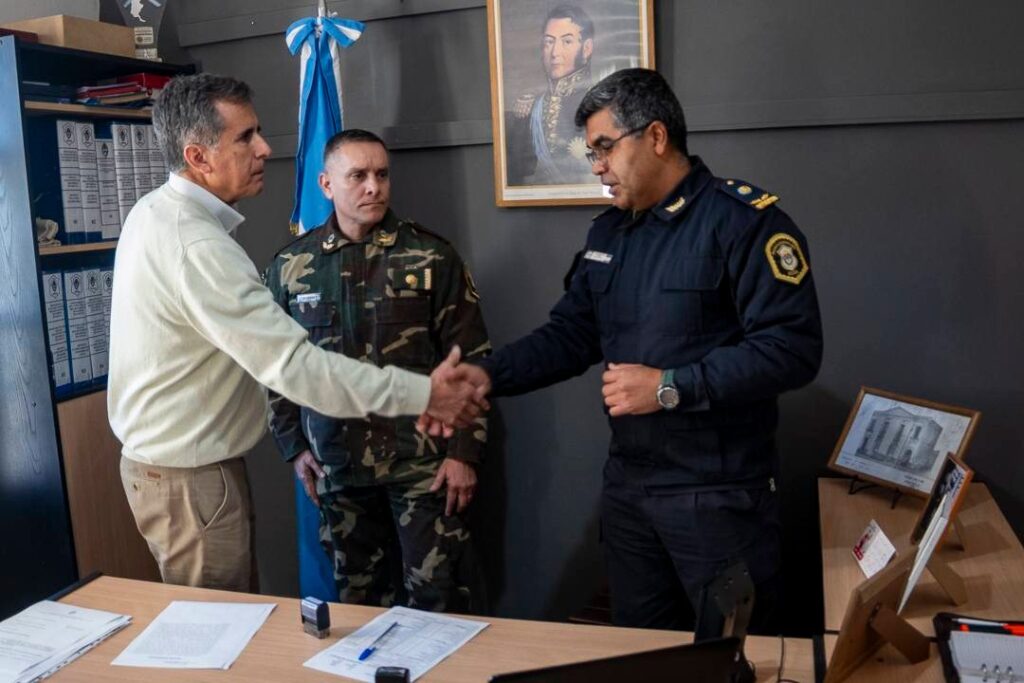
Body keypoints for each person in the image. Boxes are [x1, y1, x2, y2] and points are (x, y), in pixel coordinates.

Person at [432, 68, 824, 631]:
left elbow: (791, 348)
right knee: (638, 654)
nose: (596, 167)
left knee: (736, 655)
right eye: (591, 153)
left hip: (717, 497)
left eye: (604, 148)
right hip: (630, 494)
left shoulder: (742, 223)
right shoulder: (610, 233)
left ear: (656, 137)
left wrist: (669, 387)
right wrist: (488, 375)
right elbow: (571, 335)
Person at [108, 74, 485, 593]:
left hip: (407, 464)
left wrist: (461, 443)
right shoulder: (204, 248)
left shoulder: (155, 213)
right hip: (199, 476)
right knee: (221, 626)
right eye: (245, 137)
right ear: (198, 157)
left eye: (381, 174)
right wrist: (425, 394)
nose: (265, 149)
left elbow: (469, 348)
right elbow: (292, 368)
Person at [265, 129, 490, 612]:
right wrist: (294, 447)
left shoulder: (430, 255)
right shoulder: (291, 267)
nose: (374, 187)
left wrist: (464, 453)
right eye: (358, 176)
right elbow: (276, 366)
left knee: (439, 598)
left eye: (382, 175)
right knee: (359, 603)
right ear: (326, 184)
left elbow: (471, 360)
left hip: (423, 465)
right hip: (338, 465)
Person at [506, 3, 595, 185]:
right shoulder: (528, 109)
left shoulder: (599, 103)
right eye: (549, 42)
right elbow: (516, 173)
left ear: (586, 49)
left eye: (567, 41)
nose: (555, 52)